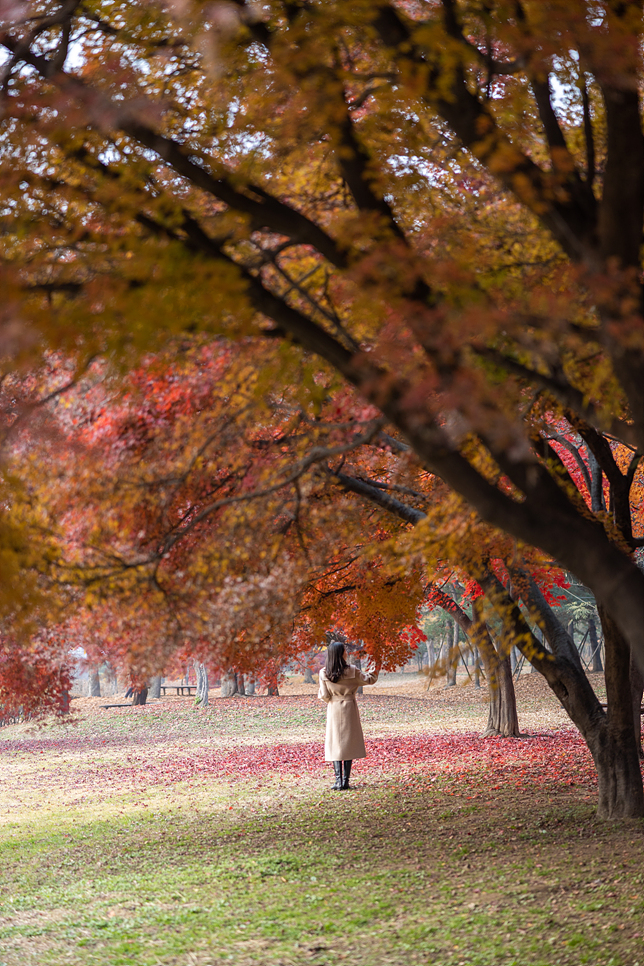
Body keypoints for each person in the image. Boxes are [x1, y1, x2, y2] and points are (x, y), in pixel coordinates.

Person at [317, 641, 379, 790]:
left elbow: (324, 695)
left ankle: (337, 781)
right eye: (345, 650)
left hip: (334, 708)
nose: (347, 652)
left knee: (335, 743)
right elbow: (369, 679)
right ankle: (345, 781)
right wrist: (377, 669)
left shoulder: (324, 673)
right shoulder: (352, 670)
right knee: (348, 743)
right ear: (341, 653)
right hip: (349, 707)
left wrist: (331, 697)